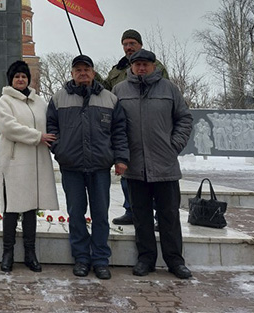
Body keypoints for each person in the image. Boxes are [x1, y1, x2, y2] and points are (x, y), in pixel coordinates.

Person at [113, 49, 194, 280]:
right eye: (137, 64)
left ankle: (175, 261)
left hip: (164, 165)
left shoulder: (169, 88)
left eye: (145, 64)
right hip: (135, 166)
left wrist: (174, 145)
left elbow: (184, 118)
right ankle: (146, 259)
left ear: (153, 66)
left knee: (169, 216)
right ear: (131, 66)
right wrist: (121, 154)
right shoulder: (119, 90)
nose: (141, 68)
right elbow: (115, 126)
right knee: (141, 216)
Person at [47, 55, 129, 280]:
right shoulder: (58, 99)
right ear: (72, 73)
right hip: (71, 166)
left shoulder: (109, 99)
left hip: (100, 166)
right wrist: (60, 149)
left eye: (87, 69)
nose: (82, 73)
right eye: (78, 70)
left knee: (100, 214)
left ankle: (101, 259)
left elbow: (119, 132)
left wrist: (121, 158)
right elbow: (51, 128)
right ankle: (82, 258)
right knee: (76, 213)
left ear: (93, 73)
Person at [0, 60, 59, 273]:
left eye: (23, 76)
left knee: (31, 208)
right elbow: (8, 127)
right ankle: (7, 253)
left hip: (34, 162)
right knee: (11, 208)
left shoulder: (39, 101)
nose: (20, 79)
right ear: (11, 80)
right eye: (16, 77)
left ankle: (30, 253)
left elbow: (49, 124)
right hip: (14, 162)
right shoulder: (5, 100)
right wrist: (37, 136)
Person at [102, 29, 168, 226]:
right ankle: (131, 210)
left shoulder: (154, 66)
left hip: (150, 129)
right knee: (127, 173)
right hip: (125, 129)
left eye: (132, 43)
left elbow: (162, 91)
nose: (128, 47)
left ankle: (158, 216)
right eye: (125, 44)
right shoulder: (117, 70)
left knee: (153, 176)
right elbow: (107, 93)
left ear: (140, 44)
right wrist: (94, 77)